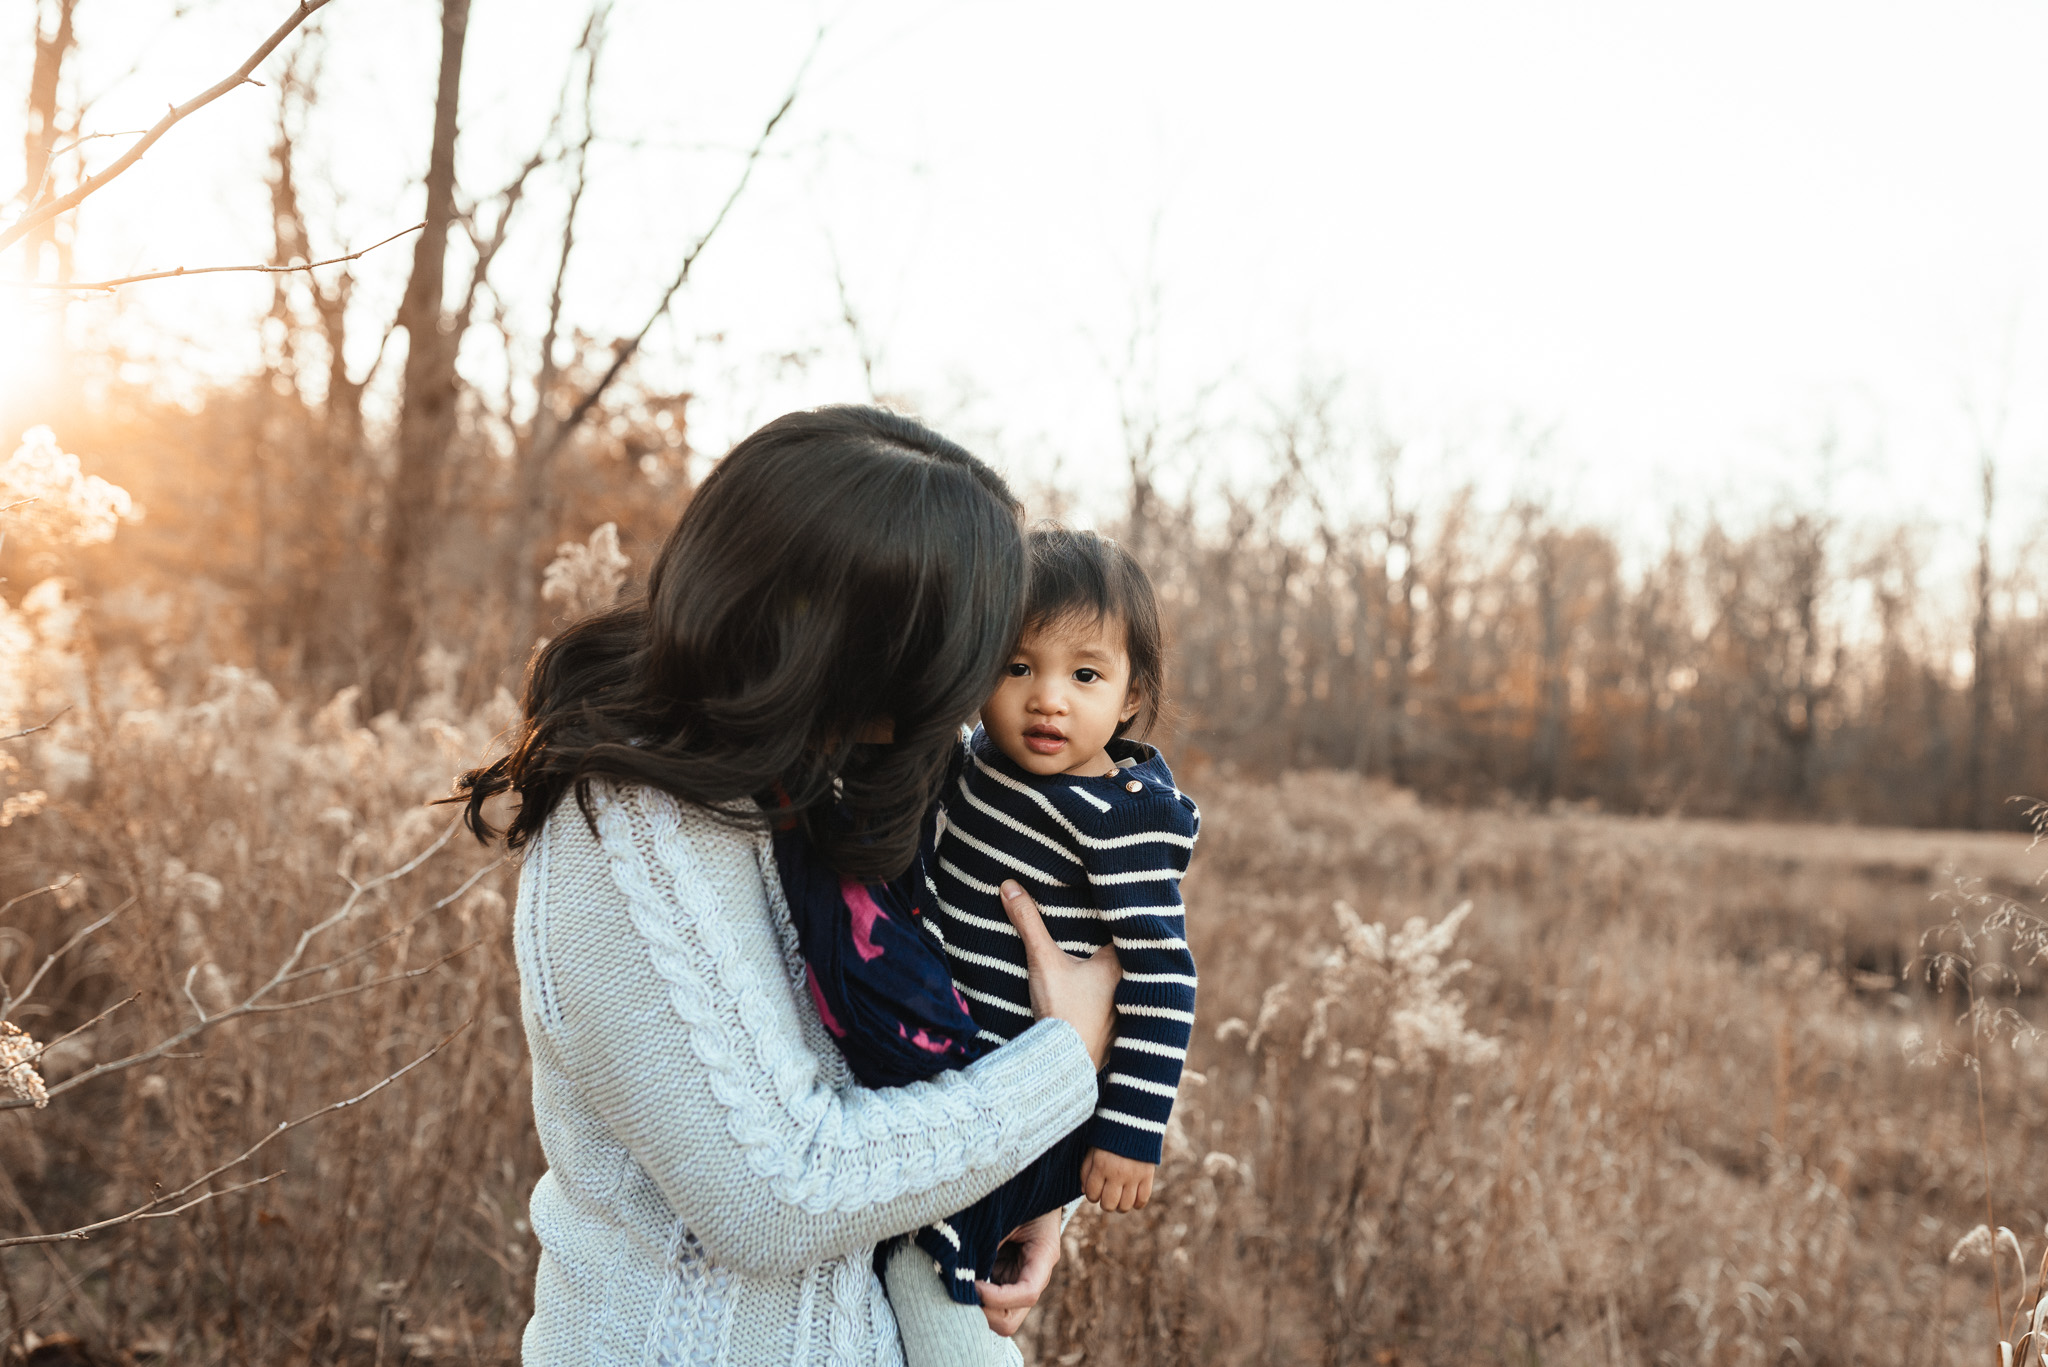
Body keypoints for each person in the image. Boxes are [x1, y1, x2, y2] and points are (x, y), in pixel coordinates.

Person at [453, 407, 1120, 1366]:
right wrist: (1063, 1067)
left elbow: (936, 1071)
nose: (974, 689)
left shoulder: (837, 783)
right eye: (962, 650)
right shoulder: (633, 830)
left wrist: (1024, 1192)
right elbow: (780, 1194)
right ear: (863, 644)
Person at [770, 525, 1200, 1366]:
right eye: (1017, 666)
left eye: (1084, 674)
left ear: (1131, 693)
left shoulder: (1122, 817)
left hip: (1038, 1105)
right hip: (970, 1084)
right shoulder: (975, 764)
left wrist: (1131, 1131)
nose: (1048, 698)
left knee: (933, 1275)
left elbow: (1162, 978)